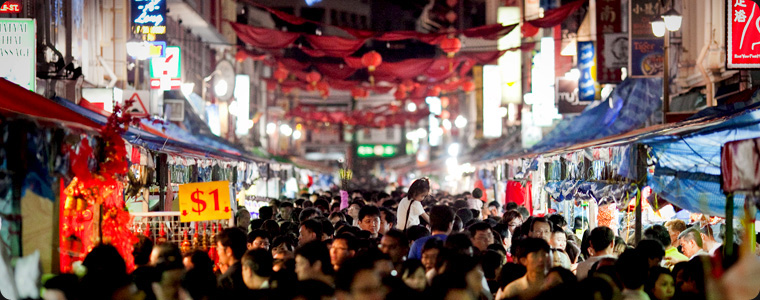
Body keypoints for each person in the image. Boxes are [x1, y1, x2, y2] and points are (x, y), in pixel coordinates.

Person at [216, 227, 248, 293]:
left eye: (219, 248)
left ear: (228, 251)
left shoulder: (225, 281)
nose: (217, 251)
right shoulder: (250, 271)